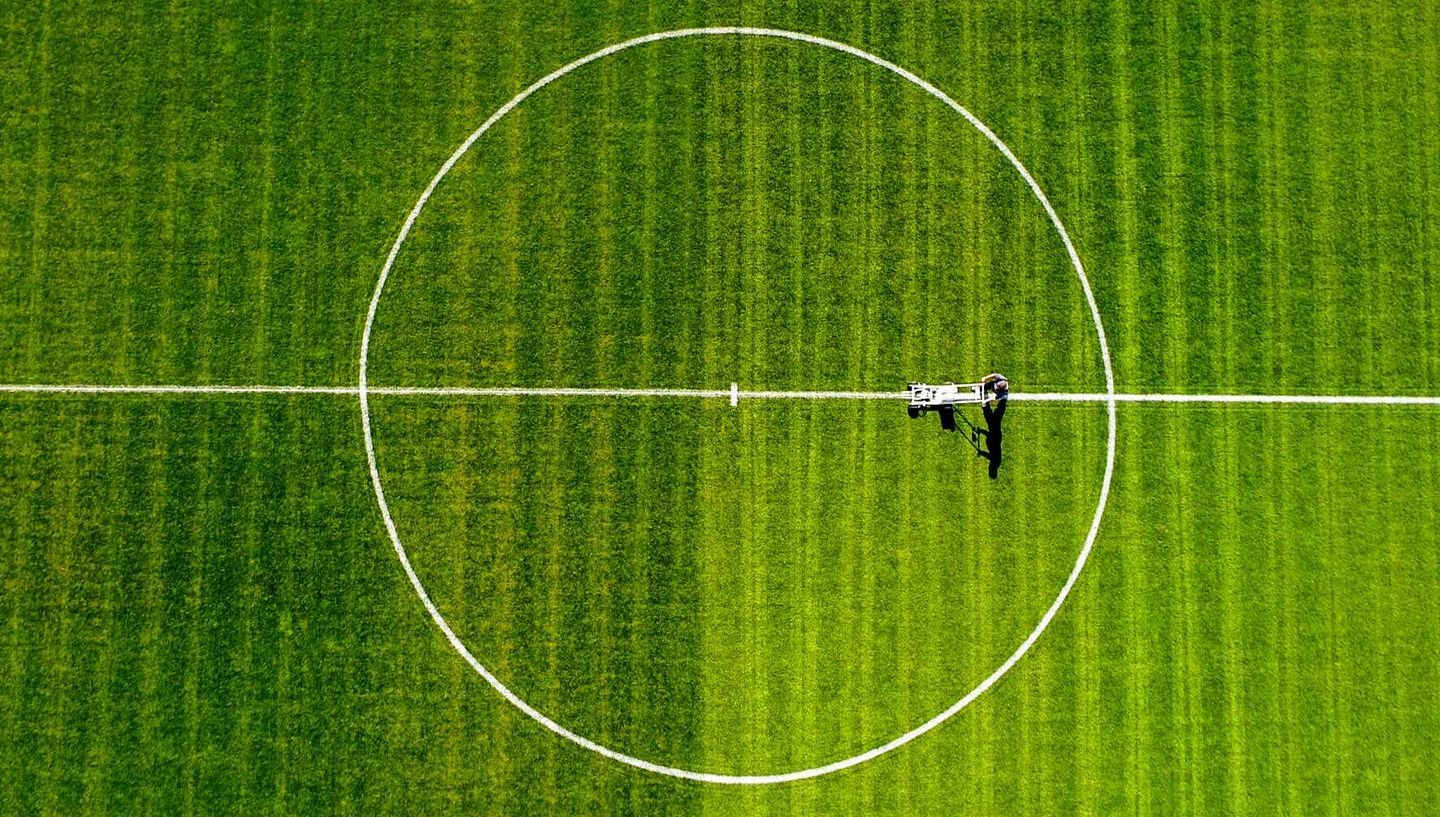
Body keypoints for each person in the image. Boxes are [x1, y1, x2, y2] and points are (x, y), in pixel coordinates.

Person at [977, 373, 1008, 479]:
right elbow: (991, 456)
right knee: (988, 411)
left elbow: (990, 455)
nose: (989, 468)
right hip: (994, 434)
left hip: (995, 434)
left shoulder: (996, 463)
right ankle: (983, 392)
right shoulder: (996, 462)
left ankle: (983, 392)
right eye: (991, 470)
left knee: (992, 413)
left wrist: (982, 452)